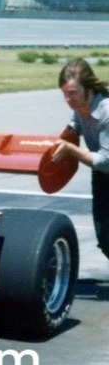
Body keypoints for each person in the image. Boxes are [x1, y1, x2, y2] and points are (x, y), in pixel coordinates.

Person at [52, 58, 109, 261]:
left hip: (105, 166)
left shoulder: (106, 111)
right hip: (102, 176)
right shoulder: (79, 105)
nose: (68, 99)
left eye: (73, 93)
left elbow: (105, 162)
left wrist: (70, 149)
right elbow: (75, 123)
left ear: (89, 88)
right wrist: (68, 133)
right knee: (105, 238)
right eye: (64, 94)